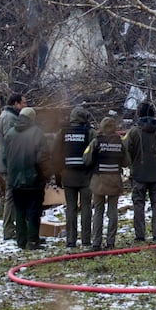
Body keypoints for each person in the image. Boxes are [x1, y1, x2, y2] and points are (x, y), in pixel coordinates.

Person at [4, 107, 53, 250]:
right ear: (32, 118)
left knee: (19, 211)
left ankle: (21, 241)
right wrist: (46, 175)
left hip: (14, 180)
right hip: (33, 179)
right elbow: (42, 158)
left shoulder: (10, 133)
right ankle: (32, 241)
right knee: (33, 211)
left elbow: (5, 157)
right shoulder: (37, 133)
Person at [125, 102, 156, 243]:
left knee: (138, 205)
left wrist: (132, 165)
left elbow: (127, 152)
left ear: (139, 114)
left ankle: (140, 236)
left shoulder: (133, 132)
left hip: (139, 174)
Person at [52, 105, 97, 249]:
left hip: (68, 176)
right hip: (86, 177)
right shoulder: (89, 132)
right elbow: (96, 152)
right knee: (86, 208)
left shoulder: (62, 132)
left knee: (70, 208)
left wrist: (58, 176)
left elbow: (56, 154)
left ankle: (71, 241)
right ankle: (86, 241)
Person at [84, 116, 129, 251]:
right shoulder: (120, 143)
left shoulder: (96, 142)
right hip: (114, 180)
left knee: (98, 211)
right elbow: (127, 162)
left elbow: (86, 159)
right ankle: (111, 242)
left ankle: (96, 243)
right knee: (112, 212)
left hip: (99, 181)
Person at [0, 93, 27, 240]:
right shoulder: (9, 118)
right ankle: (9, 230)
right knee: (12, 196)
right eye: (23, 103)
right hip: (11, 165)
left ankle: (11, 228)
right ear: (16, 104)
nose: (25, 106)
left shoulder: (6, 115)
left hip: (9, 163)